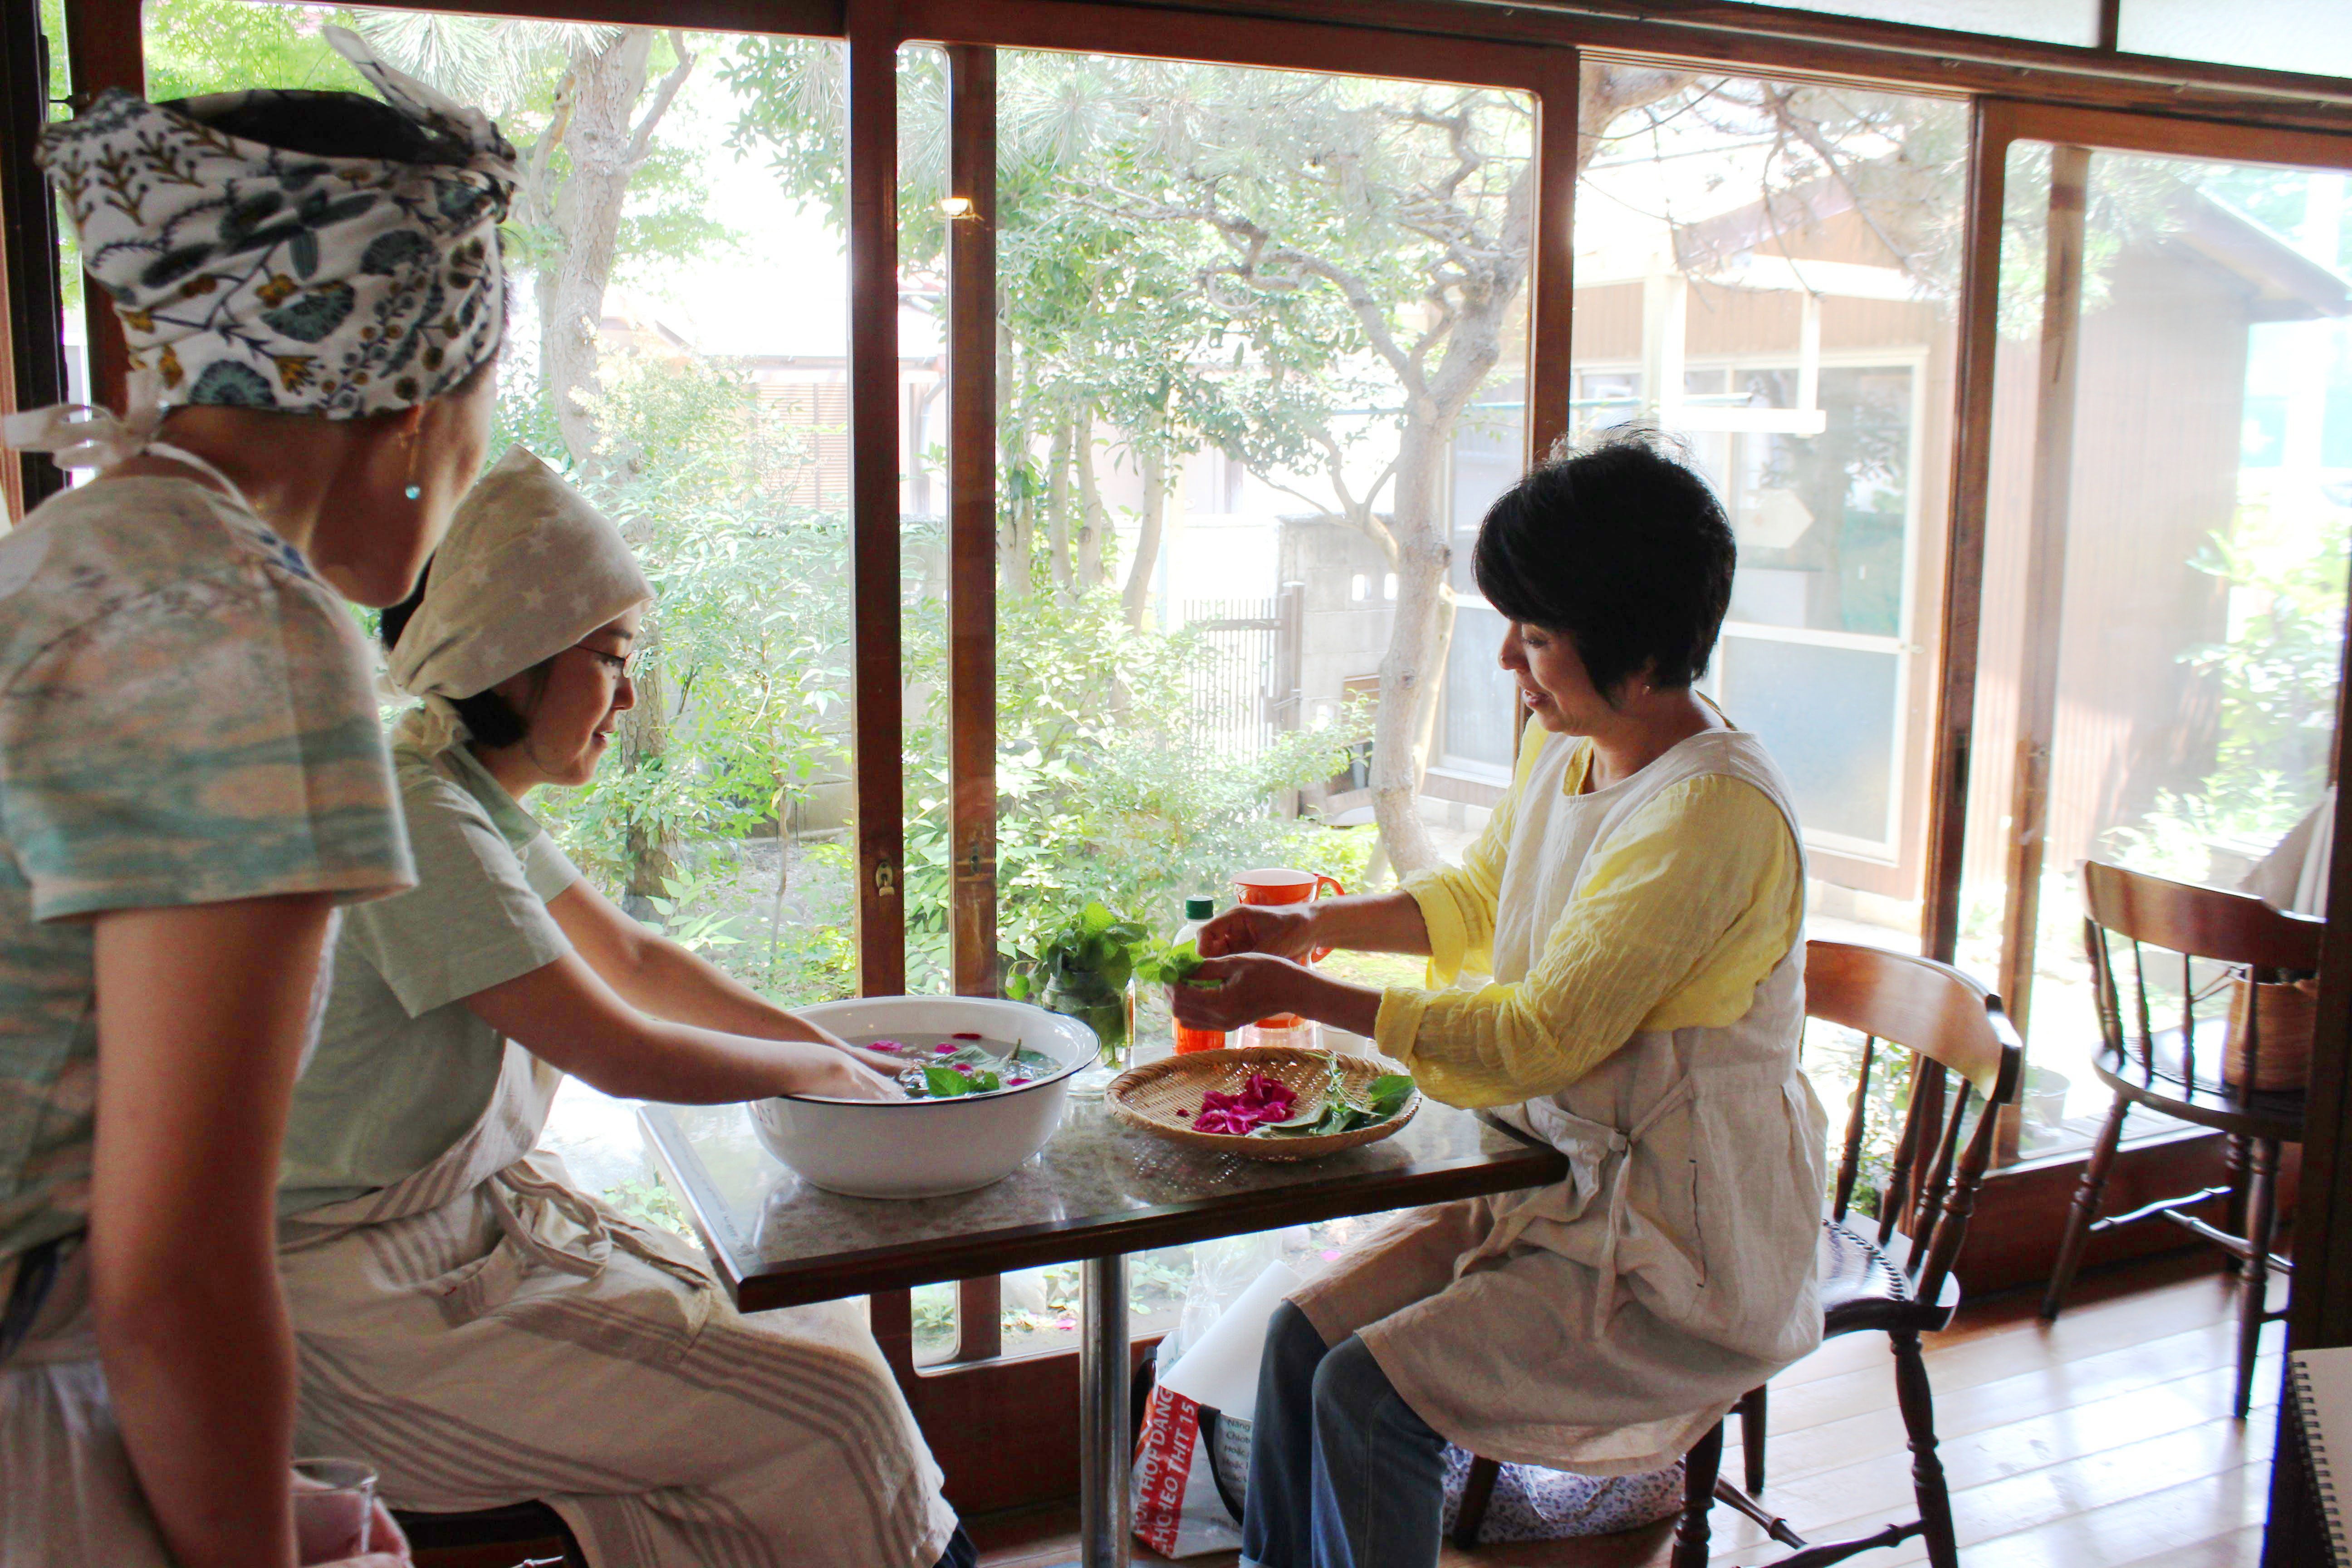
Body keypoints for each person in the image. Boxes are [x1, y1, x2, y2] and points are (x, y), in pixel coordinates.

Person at [0, 30, 513, 1568]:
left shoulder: (72, 551)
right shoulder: (246, 631)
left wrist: (253, 1498)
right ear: (413, 405)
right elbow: (176, 1276)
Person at [274, 444, 970, 1568]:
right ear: (508, 660)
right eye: (609, 658)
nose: (630, 694)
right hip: (369, 1309)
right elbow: (623, 1050)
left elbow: (638, 961)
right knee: (831, 1408)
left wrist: (830, 1045)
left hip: (453, 1242)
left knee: (826, 1333)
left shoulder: (454, 788)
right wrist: (830, 1072)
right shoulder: (416, 813)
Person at [1173, 431, 1828, 1568]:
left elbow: (1540, 1036)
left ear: (1634, 646)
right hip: (1552, 1187)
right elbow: (1483, 898)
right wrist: (1310, 928)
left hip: (1673, 1245)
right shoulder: (1569, 746)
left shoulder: (1710, 816)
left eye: (1535, 635)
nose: (1506, 661)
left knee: (1366, 1397)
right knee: (1294, 1343)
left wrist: (1308, 993)